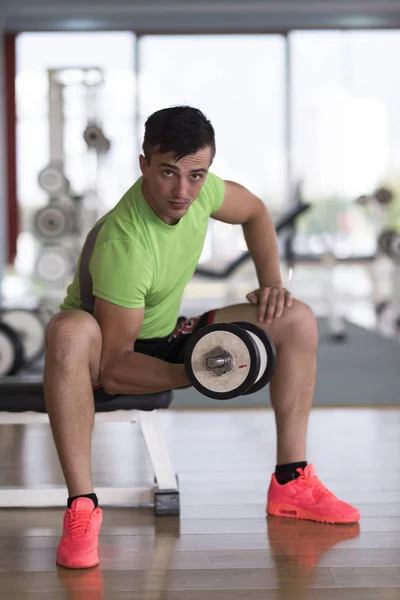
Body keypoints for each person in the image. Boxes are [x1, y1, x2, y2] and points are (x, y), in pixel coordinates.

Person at [45, 105, 360, 570]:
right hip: (100, 357)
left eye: (196, 174)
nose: (182, 190)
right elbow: (114, 369)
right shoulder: (125, 243)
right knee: (69, 331)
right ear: (144, 165)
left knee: (296, 319)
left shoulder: (202, 189)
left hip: (163, 333)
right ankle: (82, 508)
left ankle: (292, 482)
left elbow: (253, 211)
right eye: (168, 173)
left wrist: (272, 281)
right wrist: (202, 372)